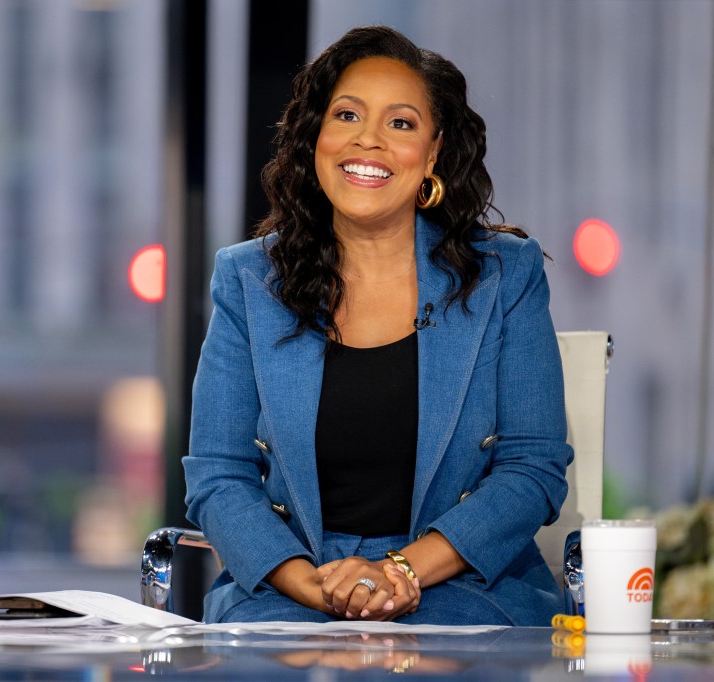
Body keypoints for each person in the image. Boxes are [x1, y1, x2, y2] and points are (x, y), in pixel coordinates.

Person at [183, 25, 572, 626]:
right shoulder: (246, 280)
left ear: (434, 152)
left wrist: (402, 572)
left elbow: (532, 468)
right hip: (291, 589)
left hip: (461, 584)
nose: (368, 140)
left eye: (400, 123)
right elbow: (218, 473)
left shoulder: (505, 275)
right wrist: (313, 588)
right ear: (317, 137)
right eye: (346, 115)